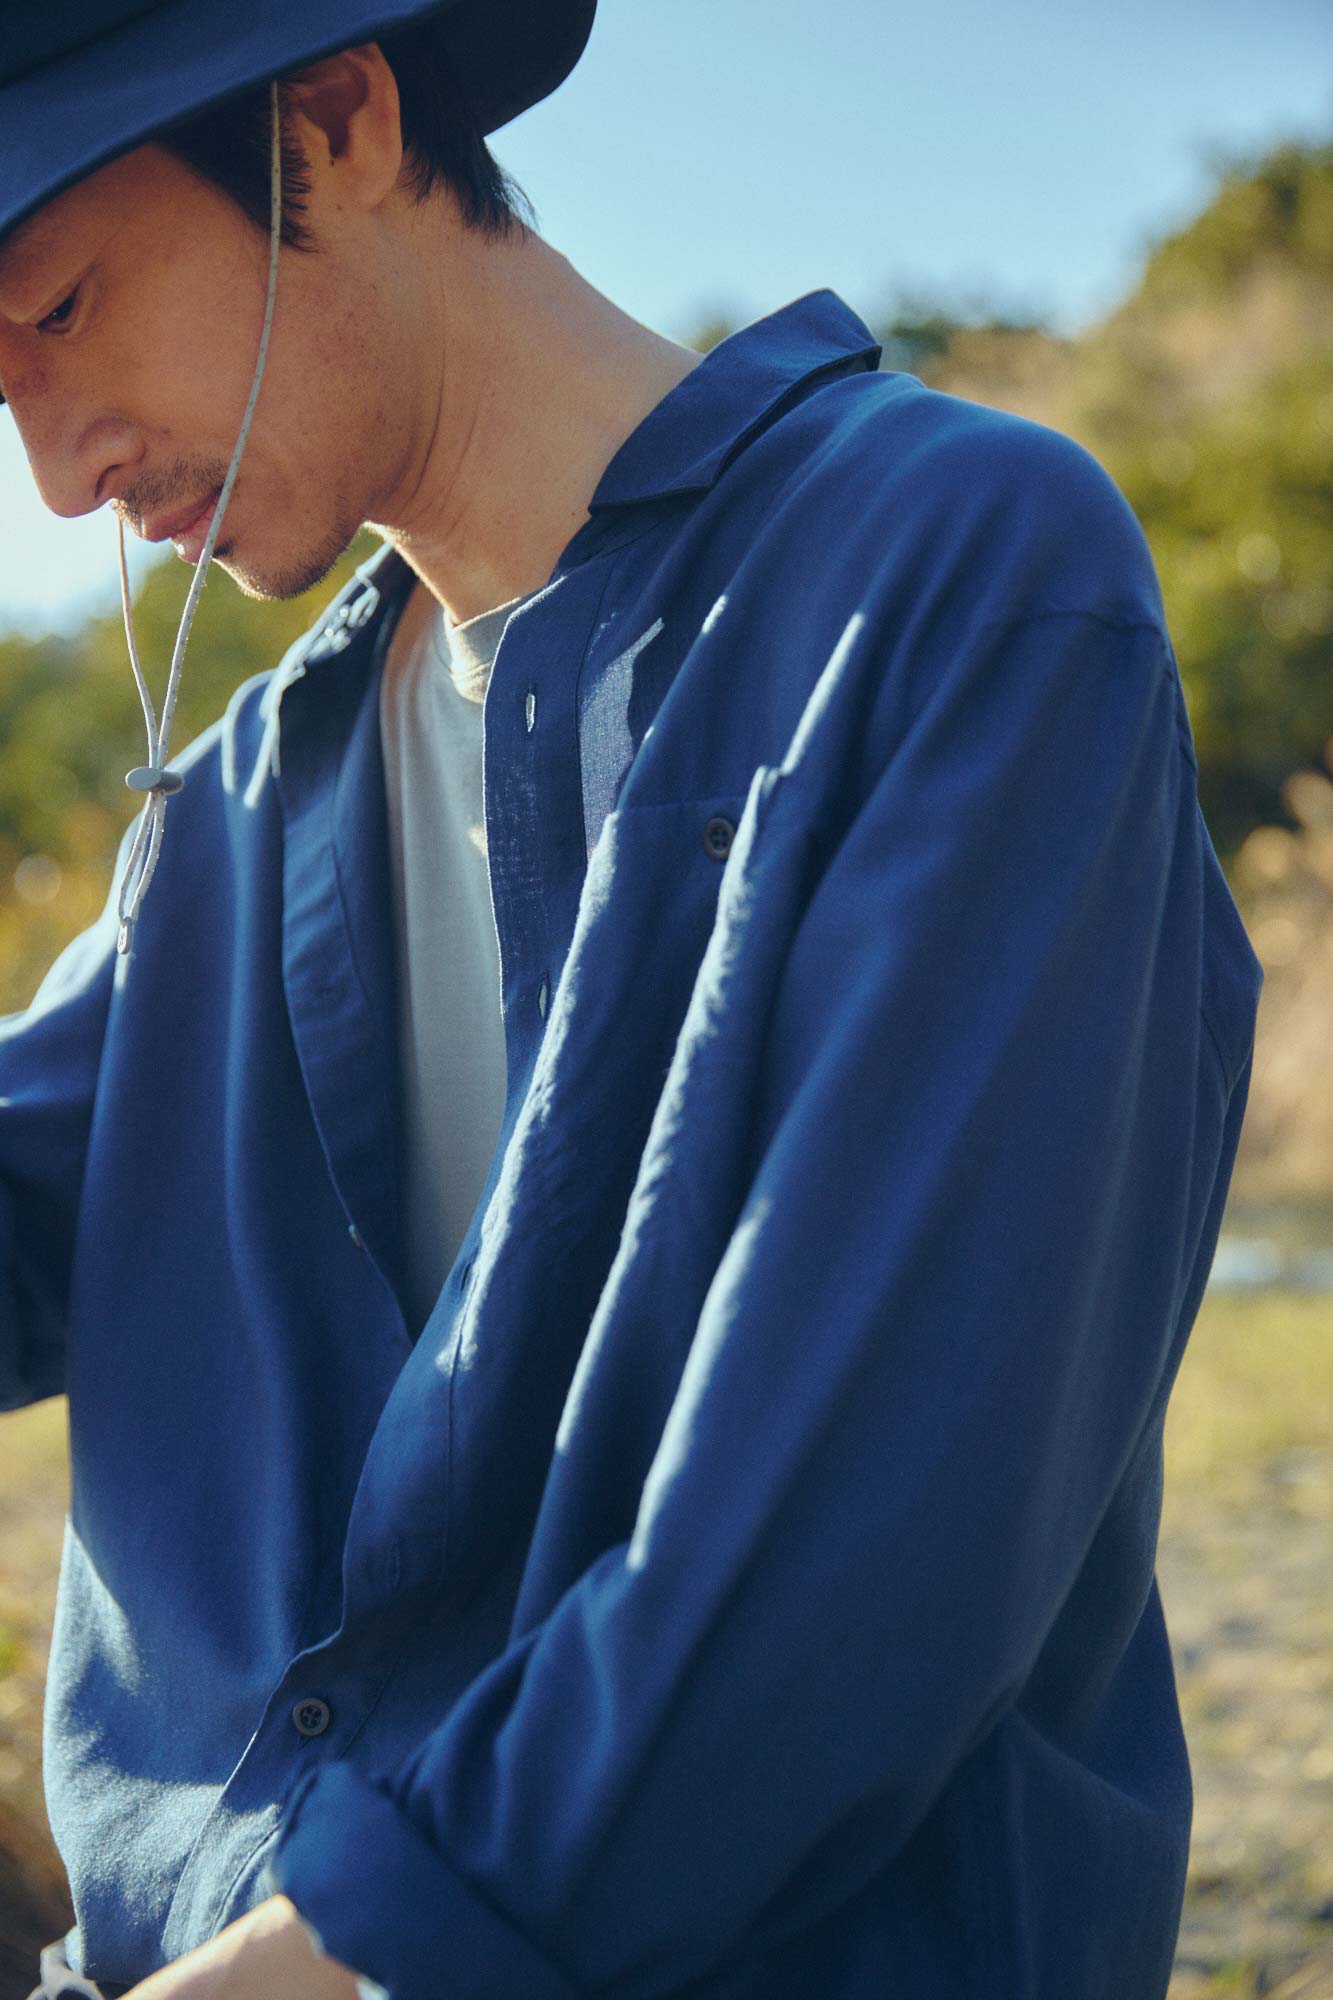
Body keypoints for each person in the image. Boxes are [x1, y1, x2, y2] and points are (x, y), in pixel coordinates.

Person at [0, 3, 1265, 1997]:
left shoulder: (950, 580)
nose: (58, 476)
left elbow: (867, 1542)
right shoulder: (242, 802)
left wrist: (333, 1958)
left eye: (64, 310)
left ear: (335, 120)